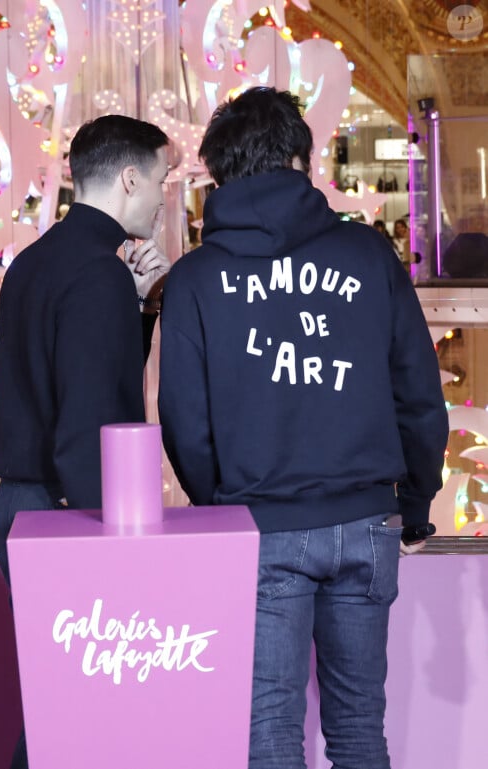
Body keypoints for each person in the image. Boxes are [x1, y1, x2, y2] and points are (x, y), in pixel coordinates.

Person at [157, 87, 448, 769]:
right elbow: (418, 392)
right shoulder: (370, 255)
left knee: (268, 728)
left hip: (261, 528)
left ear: (220, 173)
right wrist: (414, 503)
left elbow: (184, 419)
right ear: (299, 158)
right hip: (367, 517)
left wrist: (222, 508)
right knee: (357, 728)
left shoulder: (197, 279)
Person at [0, 114, 170, 769]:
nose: (163, 195)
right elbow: (90, 422)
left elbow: (74, 379)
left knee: (57, 705)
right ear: (129, 178)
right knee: (75, 712)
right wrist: (113, 535)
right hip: (69, 510)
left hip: (25, 504)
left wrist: (140, 307)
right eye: (162, 178)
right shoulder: (97, 275)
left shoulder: (38, 262)